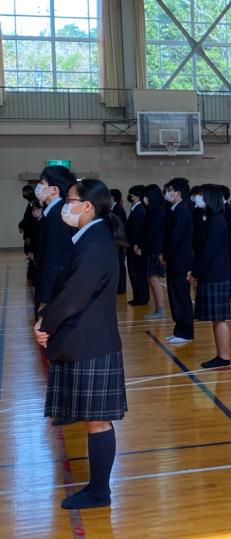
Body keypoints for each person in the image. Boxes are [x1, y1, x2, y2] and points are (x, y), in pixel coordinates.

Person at [34, 179, 128, 509]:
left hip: (91, 342)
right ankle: (97, 488)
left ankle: (100, 492)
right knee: (94, 420)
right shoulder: (91, 237)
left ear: (87, 206)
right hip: (85, 338)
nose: (65, 206)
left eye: (70, 200)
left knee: (98, 420)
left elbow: (75, 295)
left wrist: (45, 323)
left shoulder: (95, 243)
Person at [188, 185, 231, 369]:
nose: (198, 199)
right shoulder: (209, 219)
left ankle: (224, 356)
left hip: (216, 275)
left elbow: (209, 251)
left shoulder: (216, 221)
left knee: (219, 318)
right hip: (211, 275)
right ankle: (221, 355)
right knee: (216, 318)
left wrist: (196, 272)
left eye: (202, 196)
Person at [33, 165, 77, 316]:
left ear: (54, 189)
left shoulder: (57, 215)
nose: (38, 187)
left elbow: (54, 261)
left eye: (42, 184)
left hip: (55, 293)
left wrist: (44, 301)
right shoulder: (54, 211)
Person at [161, 178, 194, 344]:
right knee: (175, 297)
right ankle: (179, 329)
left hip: (180, 261)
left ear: (178, 193)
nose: (168, 193)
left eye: (170, 190)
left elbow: (175, 238)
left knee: (181, 297)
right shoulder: (174, 209)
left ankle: (186, 331)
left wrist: (165, 254)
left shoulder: (182, 210)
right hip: (175, 261)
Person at [135, 185, 166, 320]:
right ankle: (158, 308)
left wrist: (140, 245)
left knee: (154, 279)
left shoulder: (158, 210)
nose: (144, 199)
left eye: (146, 195)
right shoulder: (151, 210)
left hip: (154, 248)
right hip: (150, 248)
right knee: (150, 279)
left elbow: (151, 231)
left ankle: (160, 309)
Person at [125, 185, 149, 306]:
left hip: (135, 247)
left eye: (132, 195)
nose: (130, 197)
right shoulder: (135, 208)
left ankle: (142, 297)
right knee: (133, 272)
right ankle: (137, 296)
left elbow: (136, 230)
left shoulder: (139, 210)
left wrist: (133, 244)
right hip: (131, 246)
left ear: (137, 196)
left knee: (137, 273)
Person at [110, 189, 128, 295]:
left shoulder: (118, 209)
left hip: (119, 242)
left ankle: (120, 288)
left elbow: (120, 227)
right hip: (117, 242)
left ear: (112, 198)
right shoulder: (113, 209)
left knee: (120, 265)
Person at [19, 185, 37, 283]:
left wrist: (29, 237)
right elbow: (26, 218)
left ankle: (32, 275)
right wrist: (21, 225)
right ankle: (30, 274)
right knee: (29, 253)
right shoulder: (29, 205)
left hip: (32, 234)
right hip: (28, 233)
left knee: (31, 253)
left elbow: (29, 220)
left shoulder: (34, 203)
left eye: (24, 193)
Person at [220, 185, 231, 283]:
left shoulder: (227, 209)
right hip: (226, 243)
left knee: (228, 267)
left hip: (228, 243)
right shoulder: (223, 208)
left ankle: (230, 288)